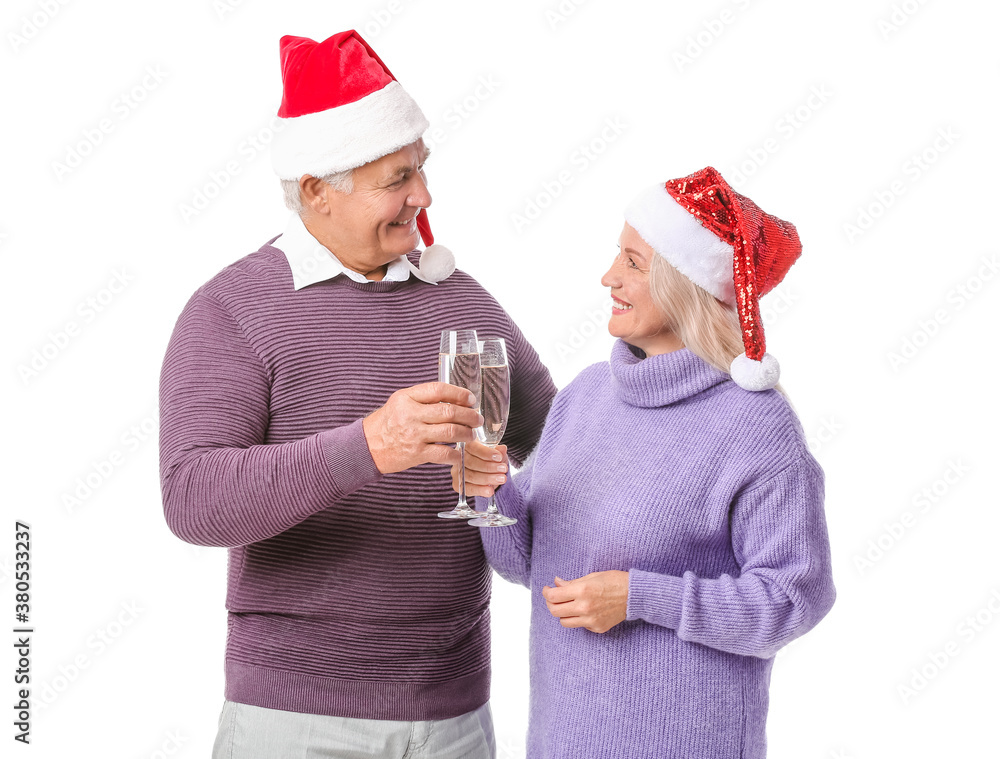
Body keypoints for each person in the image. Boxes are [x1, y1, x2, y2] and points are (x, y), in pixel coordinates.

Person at [158, 30, 556, 758]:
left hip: (455, 717)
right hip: (293, 722)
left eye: (422, 169)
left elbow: (558, 441)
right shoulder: (232, 308)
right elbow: (193, 497)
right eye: (397, 178)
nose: (424, 196)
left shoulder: (462, 305)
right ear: (316, 190)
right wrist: (369, 446)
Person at [460, 167, 836, 758]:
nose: (608, 276)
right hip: (560, 743)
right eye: (618, 256)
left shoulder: (754, 426)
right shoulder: (586, 396)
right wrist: (490, 492)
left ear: (686, 281)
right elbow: (527, 564)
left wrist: (640, 598)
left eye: (634, 263)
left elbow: (793, 600)